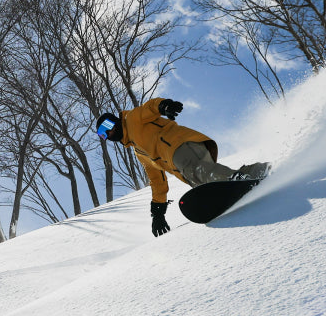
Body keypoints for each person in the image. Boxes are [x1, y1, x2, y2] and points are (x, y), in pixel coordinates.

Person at [96, 99, 269, 237]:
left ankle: (235, 179)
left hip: (180, 145)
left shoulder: (132, 118)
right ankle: (256, 172)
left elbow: (150, 107)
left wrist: (164, 106)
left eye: (107, 127)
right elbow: (157, 182)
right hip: (181, 164)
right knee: (201, 181)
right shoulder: (139, 153)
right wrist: (158, 213)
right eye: (103, 134)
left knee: (199, 171)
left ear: (115, 121)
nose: (108, 134)